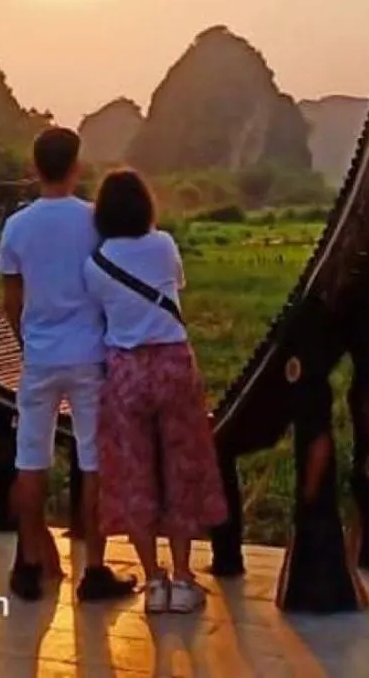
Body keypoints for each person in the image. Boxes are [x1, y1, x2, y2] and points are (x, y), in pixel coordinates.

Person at [0, 124, 136, 603]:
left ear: (35, 167)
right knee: (93, 461)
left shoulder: (17, 226)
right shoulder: (95, 220)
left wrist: (28, 341)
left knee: (30, 459)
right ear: (76, 167)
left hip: (40, 358)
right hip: (89, 356)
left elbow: (12, 300)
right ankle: (94, 570)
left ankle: (29, 564)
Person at [84, 168, 228, 614]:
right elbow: (177, 284)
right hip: (172, 365)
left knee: (134, 474)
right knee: (182, 468)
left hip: (125, 371)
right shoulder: (164, 245)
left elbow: (102, 312)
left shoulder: (95, 264)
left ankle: (152, 582)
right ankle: (183, 579)